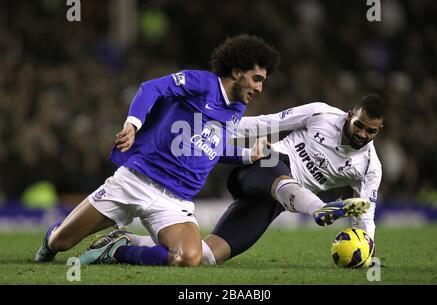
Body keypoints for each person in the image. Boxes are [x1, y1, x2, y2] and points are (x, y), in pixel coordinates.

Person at [34, 34, 281, 267]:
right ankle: (53, 237)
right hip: (136, 181)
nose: (259, 88)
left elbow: (209, 147)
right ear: (237, 73)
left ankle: (118, 248)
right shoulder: (203, 83)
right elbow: (151, 88)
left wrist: (248, 154)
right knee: (61, 242)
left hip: (174, 201)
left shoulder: (236, 108)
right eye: (256, 79)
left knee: (189, 258)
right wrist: (132, 124)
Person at [83, 94, 385, 266]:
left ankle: (121, 246)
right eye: (359, 125)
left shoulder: (370, 167)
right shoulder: (322, 114)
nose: (362, 134)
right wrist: (218, 127)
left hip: (276, 200)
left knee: (205, 257)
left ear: (378, 130)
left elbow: (365, 215)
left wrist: (366, 248)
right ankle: (319, 209)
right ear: (349, 115)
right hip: (265, 161)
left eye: (370, 131)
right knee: (281, 176)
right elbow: (269, 122)